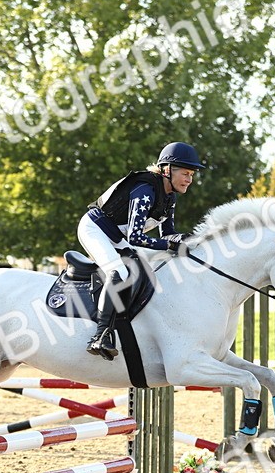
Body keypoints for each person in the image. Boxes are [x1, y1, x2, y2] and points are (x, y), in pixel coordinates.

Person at [78, 141, 204, 359]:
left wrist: (191, 240)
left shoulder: (169, 197)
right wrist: (171, 245)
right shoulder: (145, 190)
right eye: (185, 173)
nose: (189, 180)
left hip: (117, 237)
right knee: (119, 272)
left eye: (191, 175)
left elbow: (167, 234)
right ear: (166, 170)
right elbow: (136, 237)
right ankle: (100, 335)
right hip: (95, 229)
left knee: (144, 271)